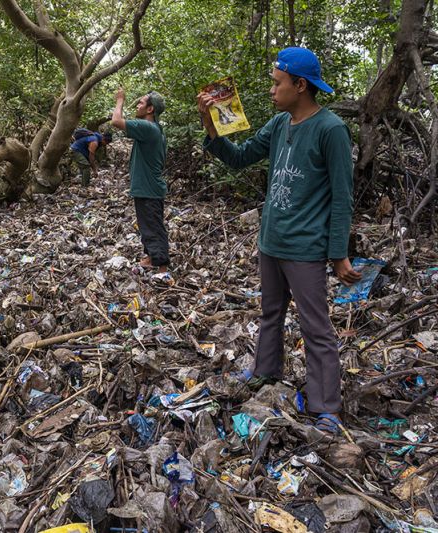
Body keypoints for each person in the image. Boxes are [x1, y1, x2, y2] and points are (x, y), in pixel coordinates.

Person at [197, 47, 361, 434]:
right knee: (270, 313)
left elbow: (343, 195)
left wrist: (338, 253)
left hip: (305, 247)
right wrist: (210, 124)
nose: (272, 90)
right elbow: (238, 158)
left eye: (277, 83)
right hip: (271, 241)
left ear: (300, 85)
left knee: (315, 326)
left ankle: (327, 408)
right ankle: (266, 373)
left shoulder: (331, 130)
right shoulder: (278, 124)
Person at [110, 88, 169, 273]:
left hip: (149, 188)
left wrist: (120, 100)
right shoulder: (156, 130)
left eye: (141, 103)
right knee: (147, 225)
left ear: (150, 109)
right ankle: (152, 257)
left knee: (153, 226)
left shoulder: (148, 127)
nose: (138, 105)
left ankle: (162, 266)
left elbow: (116, 121)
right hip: (147, 187)